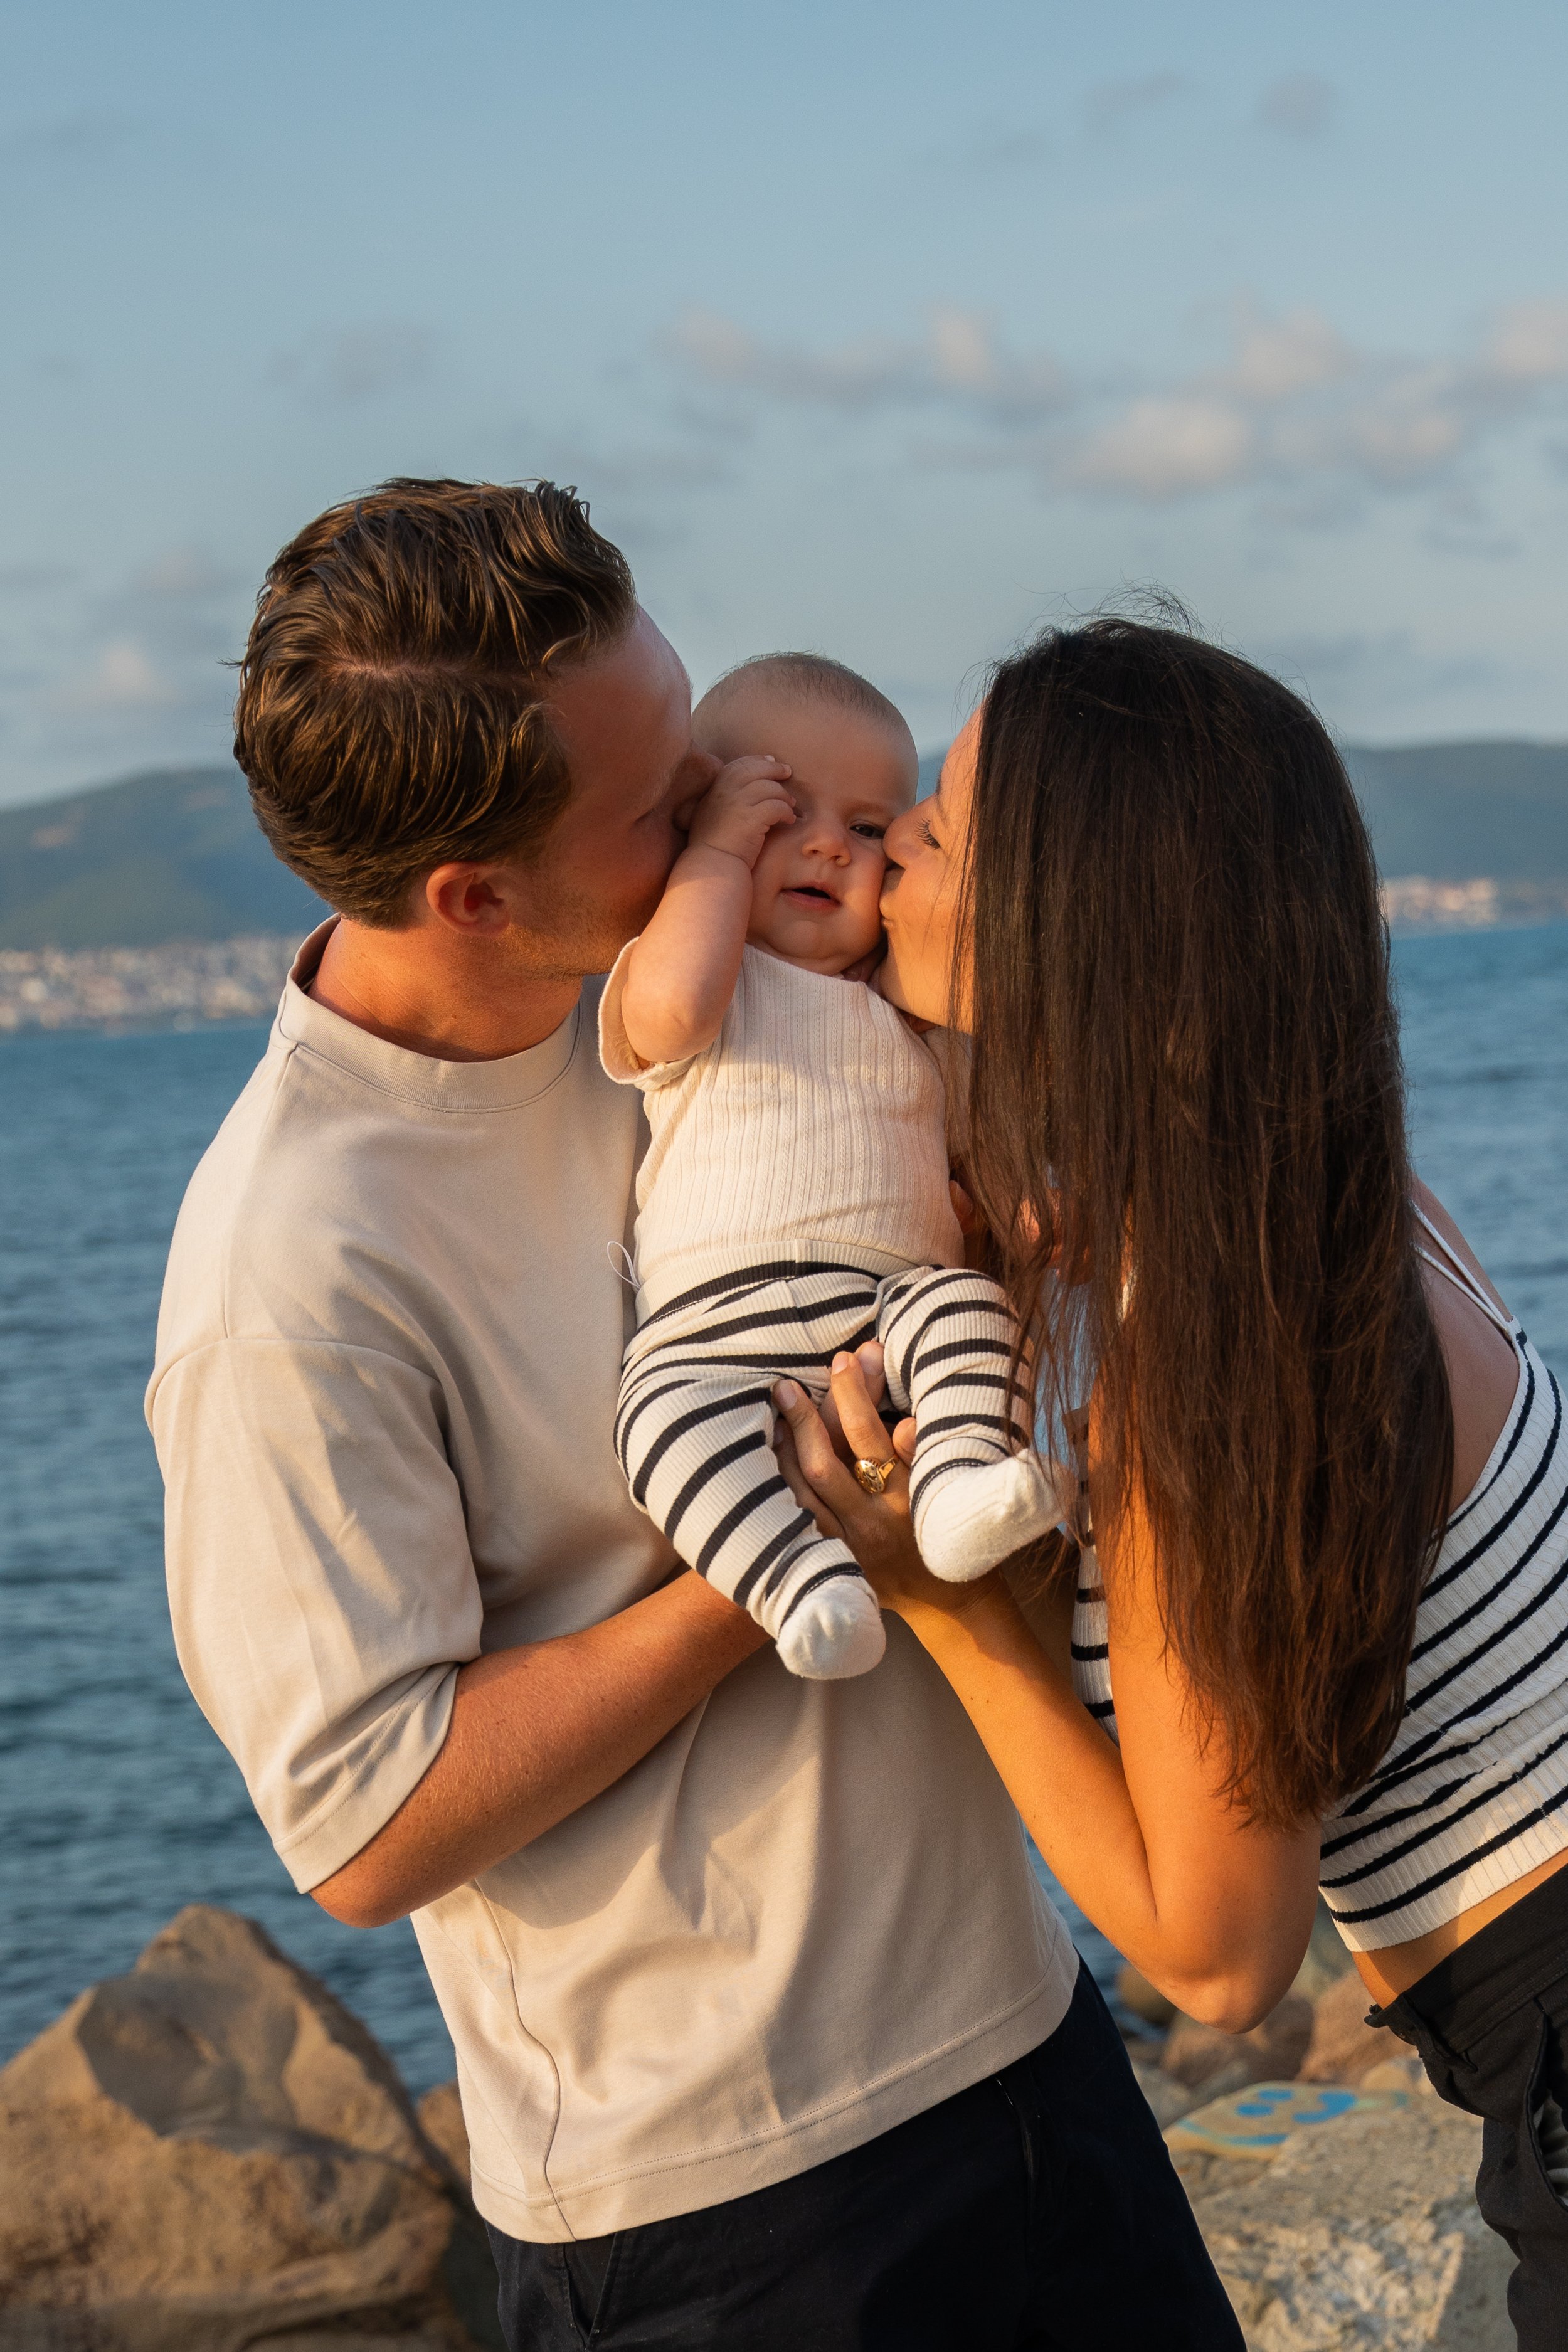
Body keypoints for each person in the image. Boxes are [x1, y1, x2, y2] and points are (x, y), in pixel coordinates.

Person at [147, 487, 1240, 2351]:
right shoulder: (293, 1265)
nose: (738, 816)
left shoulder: (725, 985)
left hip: (1033, 2045)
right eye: (675, 804)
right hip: (731, 2216)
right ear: (473, 895)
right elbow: (367, 1822)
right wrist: (775, 1556)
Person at [775, 617, 1568, 2352]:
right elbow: (1017, 1182)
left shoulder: (1214, 1366)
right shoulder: (1326, 1188)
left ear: (1082, 914)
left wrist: (942, 1612)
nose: (893, 831)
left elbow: (1215, 1957)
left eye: (947, 823)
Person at [603, 653, 1062, 1682]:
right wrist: (716, 860)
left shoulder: (914, 1013)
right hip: (712, 1331)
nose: (825, 844)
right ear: (698, 822)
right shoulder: (696, 978)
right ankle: (801, 1586)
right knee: (657, 1427)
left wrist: (1027, 1199)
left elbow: (982, 1143)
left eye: (867, 829)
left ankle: (953, 1489)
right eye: (776, 811)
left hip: (886, 1307)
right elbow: (669, 1012)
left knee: (972, 1312)